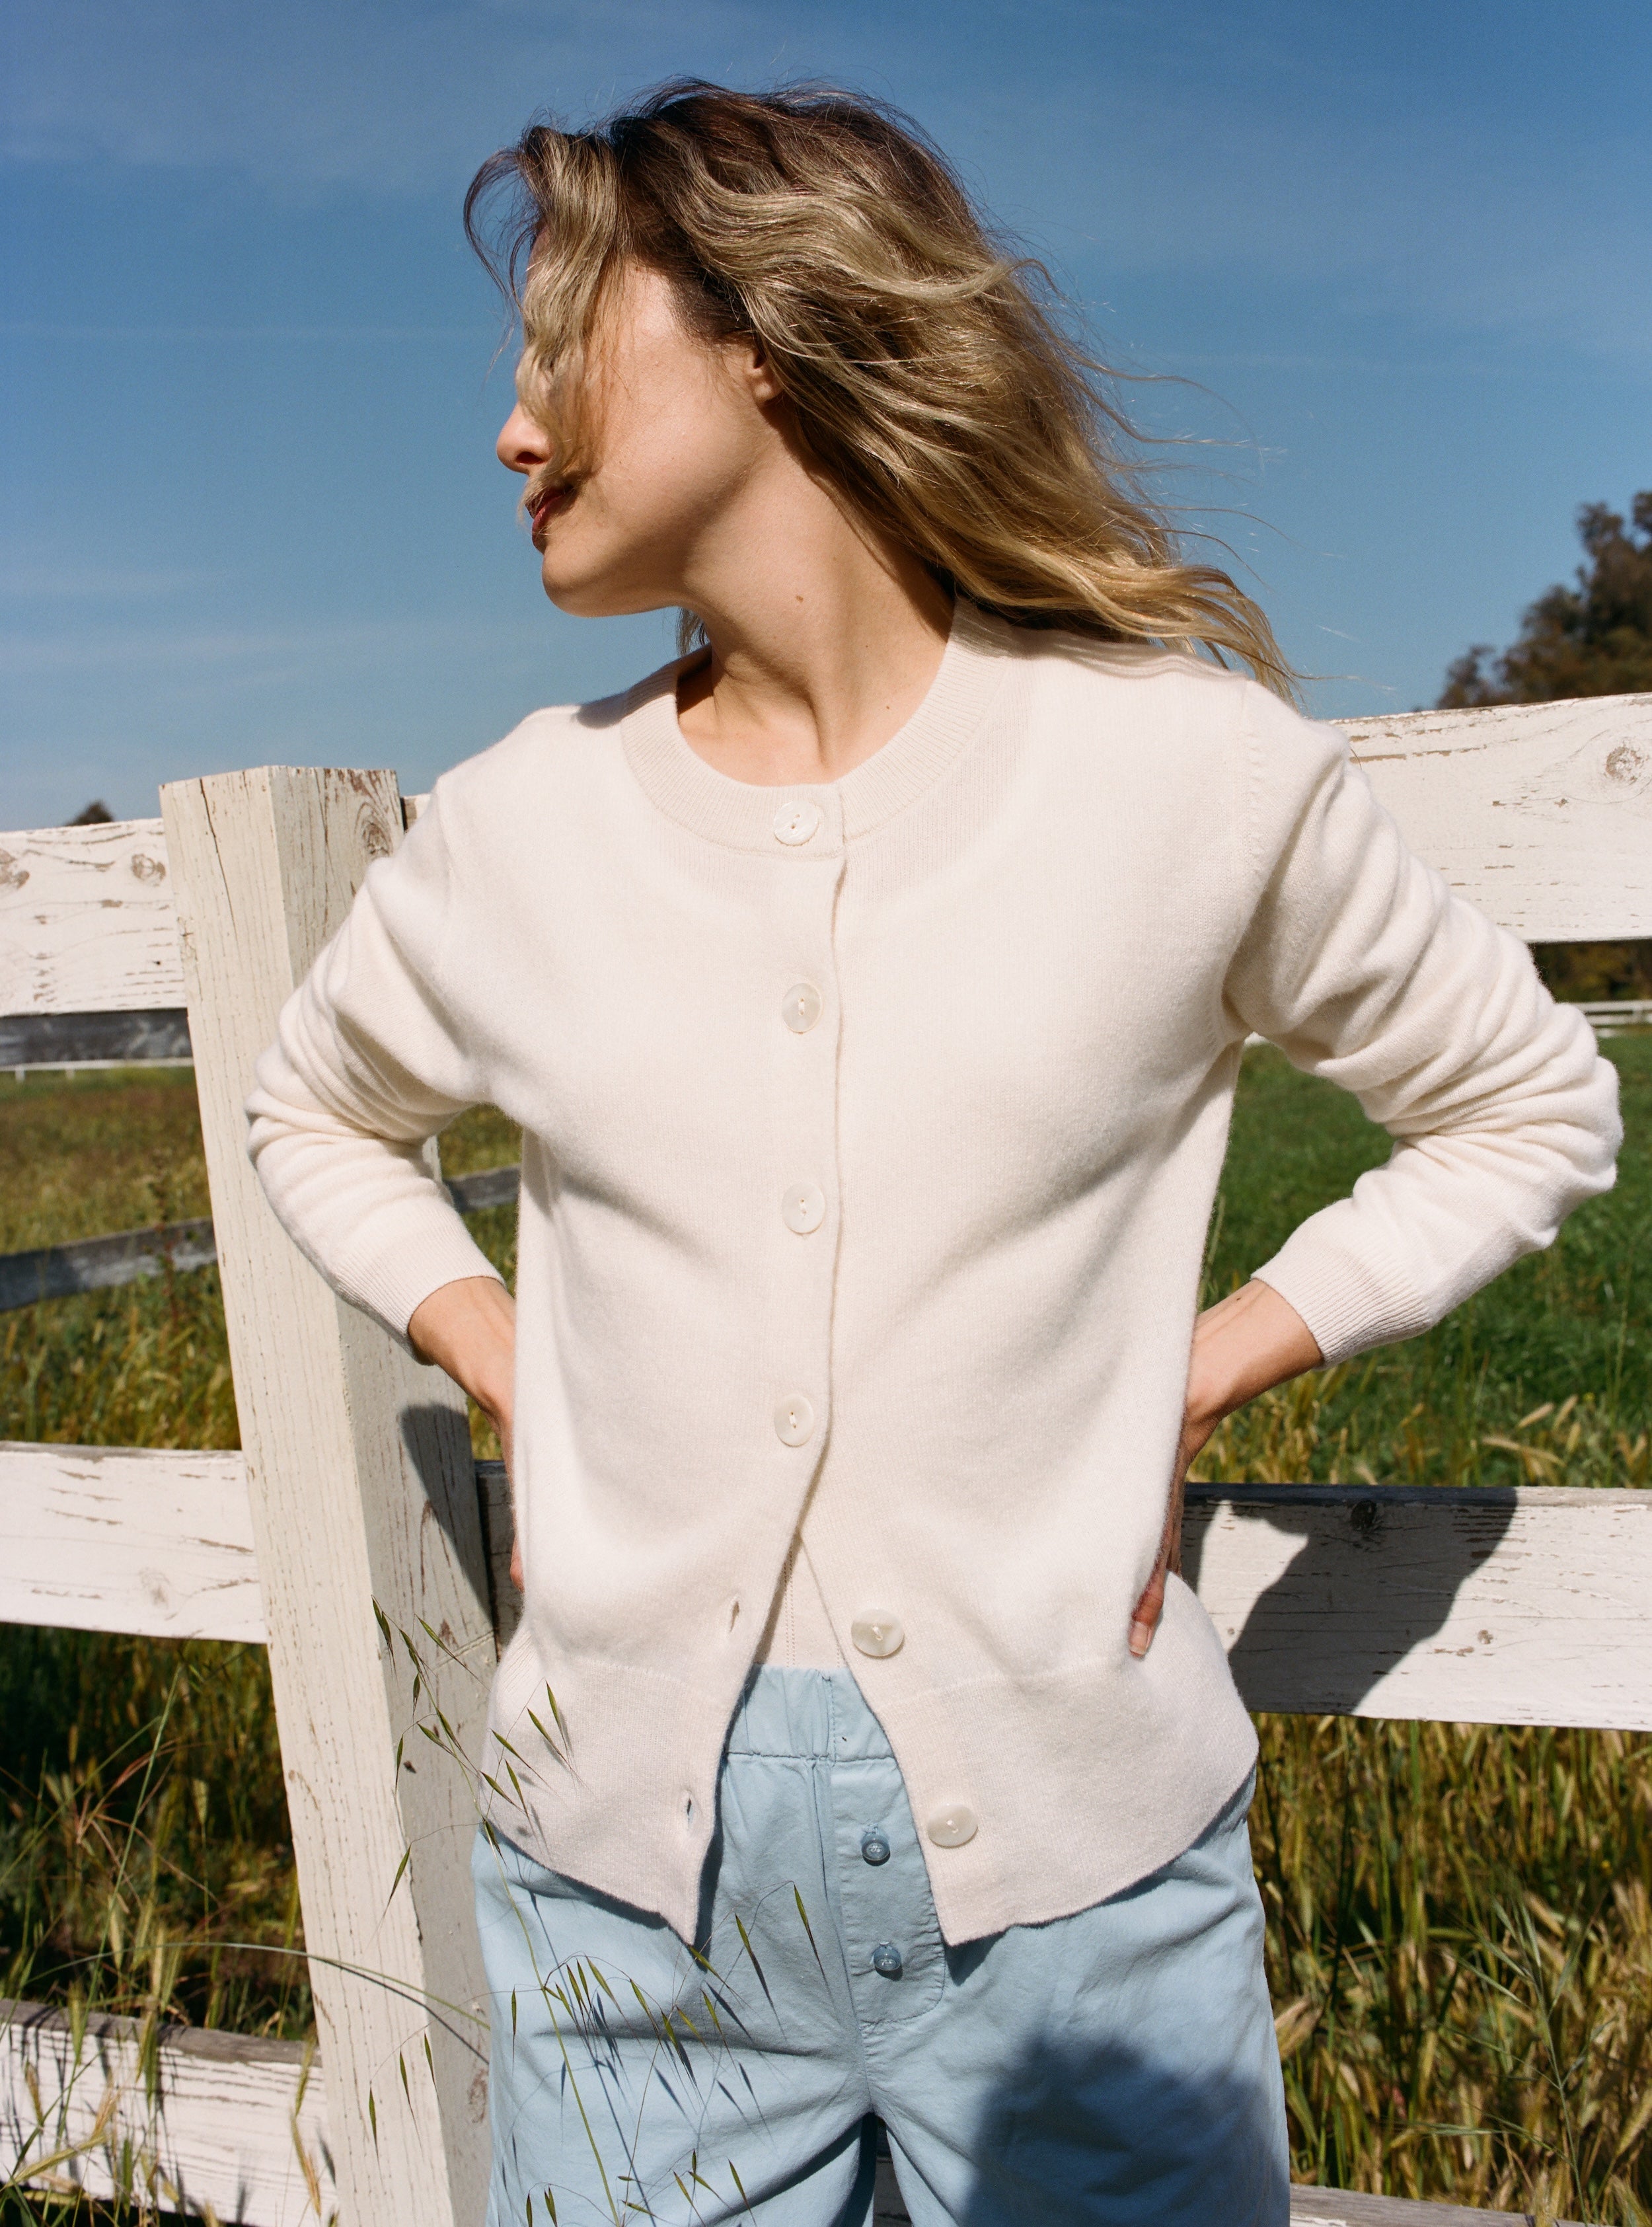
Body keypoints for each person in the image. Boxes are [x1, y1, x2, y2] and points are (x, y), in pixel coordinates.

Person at [246, 81, 1620, 2227]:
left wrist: (1202, 1360)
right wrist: (495, 1342)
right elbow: (308, 1107)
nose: (510, 435)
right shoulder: (516, 830)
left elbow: (1529, 1099)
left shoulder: (1181, 777)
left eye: (557, 353)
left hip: (1088, 1905)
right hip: (618, 1909)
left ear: (769, 332)